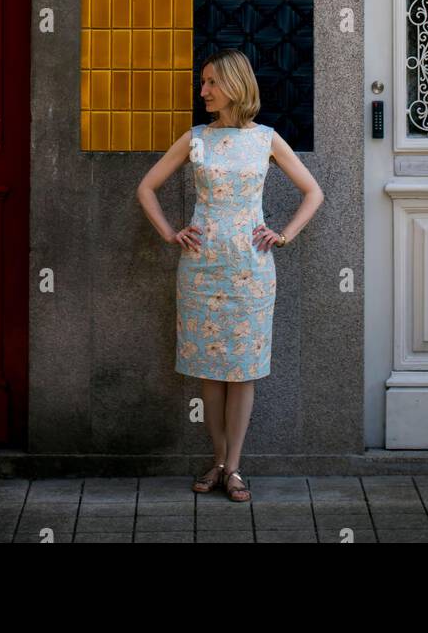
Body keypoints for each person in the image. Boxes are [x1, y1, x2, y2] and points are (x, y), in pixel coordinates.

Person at [136, 49, 324, 503]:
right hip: (201, 269)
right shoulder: (196, 138)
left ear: (234, 85)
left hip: (251, 268)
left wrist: (284, 235)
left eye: (210, 83)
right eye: (203, 83)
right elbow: (146, 187)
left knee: (242, 371)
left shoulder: (266, 140)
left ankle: (233, 467)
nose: (203, 91)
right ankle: (218, 461)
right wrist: (169, 233)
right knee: (209, 371)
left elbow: (313, 192)